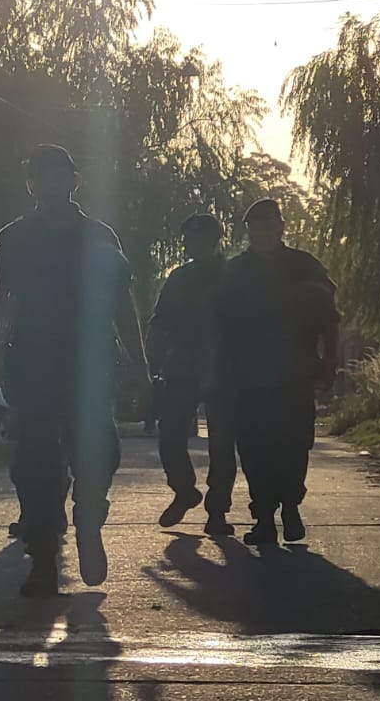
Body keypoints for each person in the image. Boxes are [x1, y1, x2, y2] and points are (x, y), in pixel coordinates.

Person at [0, 144, 150, 598]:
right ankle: (43, 560)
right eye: (42, 177)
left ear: (73, 181)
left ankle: (88, 519)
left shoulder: (99, 236)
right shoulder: (13, 239)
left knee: (99, 449)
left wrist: (138, 364)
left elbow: (123, 304)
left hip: (89, 365)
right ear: (31, 185)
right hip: (31, 365)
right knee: (33, 465)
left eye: (60, 175)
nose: (52, 184)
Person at [215, 199, 340, 547]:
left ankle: (290, 506)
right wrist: (215, 373)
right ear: (249, 231)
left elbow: (330, 320)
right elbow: (218, 326)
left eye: (270, 226)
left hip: (294, 375)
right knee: (255, 448)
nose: (264, 233)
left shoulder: (305, 267)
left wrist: (329, 363)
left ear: (281, 227)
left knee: (294, 444)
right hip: (247, 378)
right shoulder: (235, 272)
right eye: (256, 227)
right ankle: (265, 518)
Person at [148, 213, 237, 537]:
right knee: (170, 436)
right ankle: (184, 489)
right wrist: (150, 362)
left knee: (222, 443)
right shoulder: (179, 278)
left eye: (196, 238)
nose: (189, 244)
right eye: (188, 238)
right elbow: (159, 320)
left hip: (225, 368)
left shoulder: (232, 276)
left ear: (213, 240)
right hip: (182, 363)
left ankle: (217, 510)